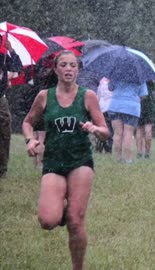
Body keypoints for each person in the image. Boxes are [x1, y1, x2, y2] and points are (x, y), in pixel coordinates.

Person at [22, 50, 109, 270]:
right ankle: (59, 210)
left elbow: (105, 132)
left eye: (72, 65)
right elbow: (27, 123)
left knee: (75, 220)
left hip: (80, 161)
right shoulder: (44, 96)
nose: (68, 69)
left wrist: (94, 128)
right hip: (53, 162)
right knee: (48, 221)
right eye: (63, 65)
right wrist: (30, 140)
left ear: (78, 69)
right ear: (56, 69)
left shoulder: (87, 96)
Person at [108, 81, 149, 163]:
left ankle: (118, 158)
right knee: (128, 133)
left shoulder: (116, 74)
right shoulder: (139, 76)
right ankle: (128, 159)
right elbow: (143, 95)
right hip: (131, 107)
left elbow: (110, 88)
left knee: (117, 133)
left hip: (115, 106)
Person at [0, 36, 23, 178]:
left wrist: (11, 50)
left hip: (1, 99)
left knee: (4, 133)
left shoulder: (3, 57)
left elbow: (17, 67)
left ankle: (2, 168)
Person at [136, 81, 155, 159]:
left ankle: (139, 152)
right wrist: (154, 67)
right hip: (149, 106)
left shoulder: (137, 78)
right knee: (148, 129)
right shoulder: (150, 79)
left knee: (139, 129)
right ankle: (147, 153)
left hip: (138, 105)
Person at [95, 77, 113, 153]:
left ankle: (101, 146)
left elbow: (98, 97)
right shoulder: (114, 82)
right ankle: (108, 148)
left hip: (102, 109)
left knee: (103, 128)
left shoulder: (101, 82)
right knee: (111, 130)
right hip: (112, 108)